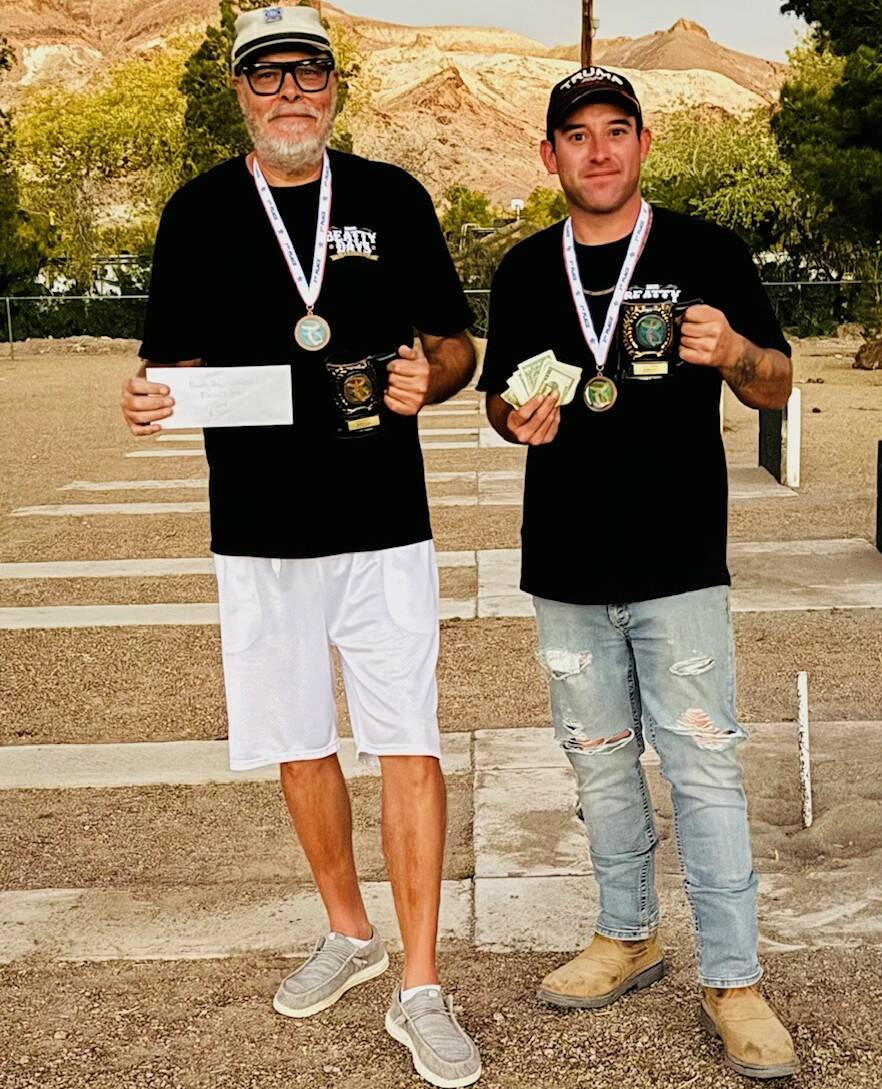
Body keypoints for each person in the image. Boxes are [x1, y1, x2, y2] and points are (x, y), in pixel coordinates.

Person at [119, 8, 481, 1086]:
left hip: (383, 524)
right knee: (298, 738)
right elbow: (168, 367)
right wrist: (147, 399)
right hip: (259, 527)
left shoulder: (390, 199)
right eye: (266, 75)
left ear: (334, 87)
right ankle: (348, 931)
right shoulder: (195, 213)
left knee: (406, 738)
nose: (289, 92)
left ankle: (418, 984)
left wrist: (436, 377)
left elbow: (456, 344)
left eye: (307, 73)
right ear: (241, 93)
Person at [479, 66, 800, 1081]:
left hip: (676, 564)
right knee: (599, 763)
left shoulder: (705, 251)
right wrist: (511, 417)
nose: (599, 150)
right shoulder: (527, 270)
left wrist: (737, 349)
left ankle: (735, 979)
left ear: (642, 144)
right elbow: (498, 397)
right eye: (576, 135)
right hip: (565, 565)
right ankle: (627, 935)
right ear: (549, 156)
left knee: (702, 765)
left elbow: (777, 383)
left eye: (616, 130)